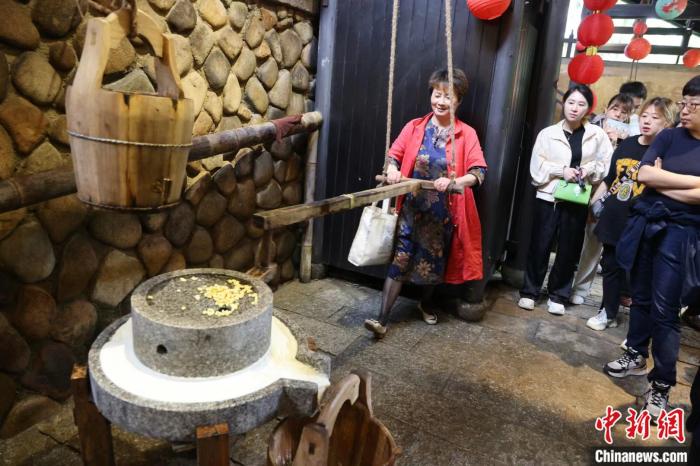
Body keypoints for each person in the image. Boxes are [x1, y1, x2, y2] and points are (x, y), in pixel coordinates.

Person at [363, 68, 487, 338]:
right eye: (437, 94)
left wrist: (455, 181)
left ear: (459, 100)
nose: (440, 101)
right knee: (400, 260)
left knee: (433, 263)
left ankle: (426, 303)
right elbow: (393, 155)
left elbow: (479, 172)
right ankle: (382, 319)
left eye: (448, 96)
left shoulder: (467, 134)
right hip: (410, 209)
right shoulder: (415, 127)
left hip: (443, 214)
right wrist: (393, 169)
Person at [604, 76, 700, 422]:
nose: (685, 110)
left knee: (665, 309)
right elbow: (644, 175)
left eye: (694, 105)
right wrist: (692, 184)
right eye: (684, 103)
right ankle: (635, 352)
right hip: (647, 223)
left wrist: (664, 183)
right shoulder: (669, 137)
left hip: (682, 232)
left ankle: (661, 384)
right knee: (640, 296)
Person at [518, 84, 613, 315]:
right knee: (540, 245)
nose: (574, 108)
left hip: (577, 198)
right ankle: (530, 292)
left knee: (569, 248)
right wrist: (561, 171)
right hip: (548, 196)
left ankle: (559, 295)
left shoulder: (597, 135)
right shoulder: (548, 133)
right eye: (571, 102)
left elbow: (606, 164)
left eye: (581, 104)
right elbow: (536, 167)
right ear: (564, 103)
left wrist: (588, 169)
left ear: (588, 109)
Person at [585, 97, 676, 331]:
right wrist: (593, 205)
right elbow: (610, 179)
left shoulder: (667, 154)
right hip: (615, 215)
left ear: (667, 123)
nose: (647, 121)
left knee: (638, 272)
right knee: (610, 265)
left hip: (641, 219)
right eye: (644, 116)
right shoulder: (627, 144)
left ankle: (639, 325)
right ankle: (608, 312)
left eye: (655, 118)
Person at [570, 94, 634, 306]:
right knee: (570, 239)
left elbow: (616, 173)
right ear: (606, 109)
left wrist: (616, 143)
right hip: (579, 189)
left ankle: (581, 288)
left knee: (594, 242)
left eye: (624, 112)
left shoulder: (629, 140)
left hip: (604, 196)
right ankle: (562, 283)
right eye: (615, 109)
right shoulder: (589, 128)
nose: (618, 114)